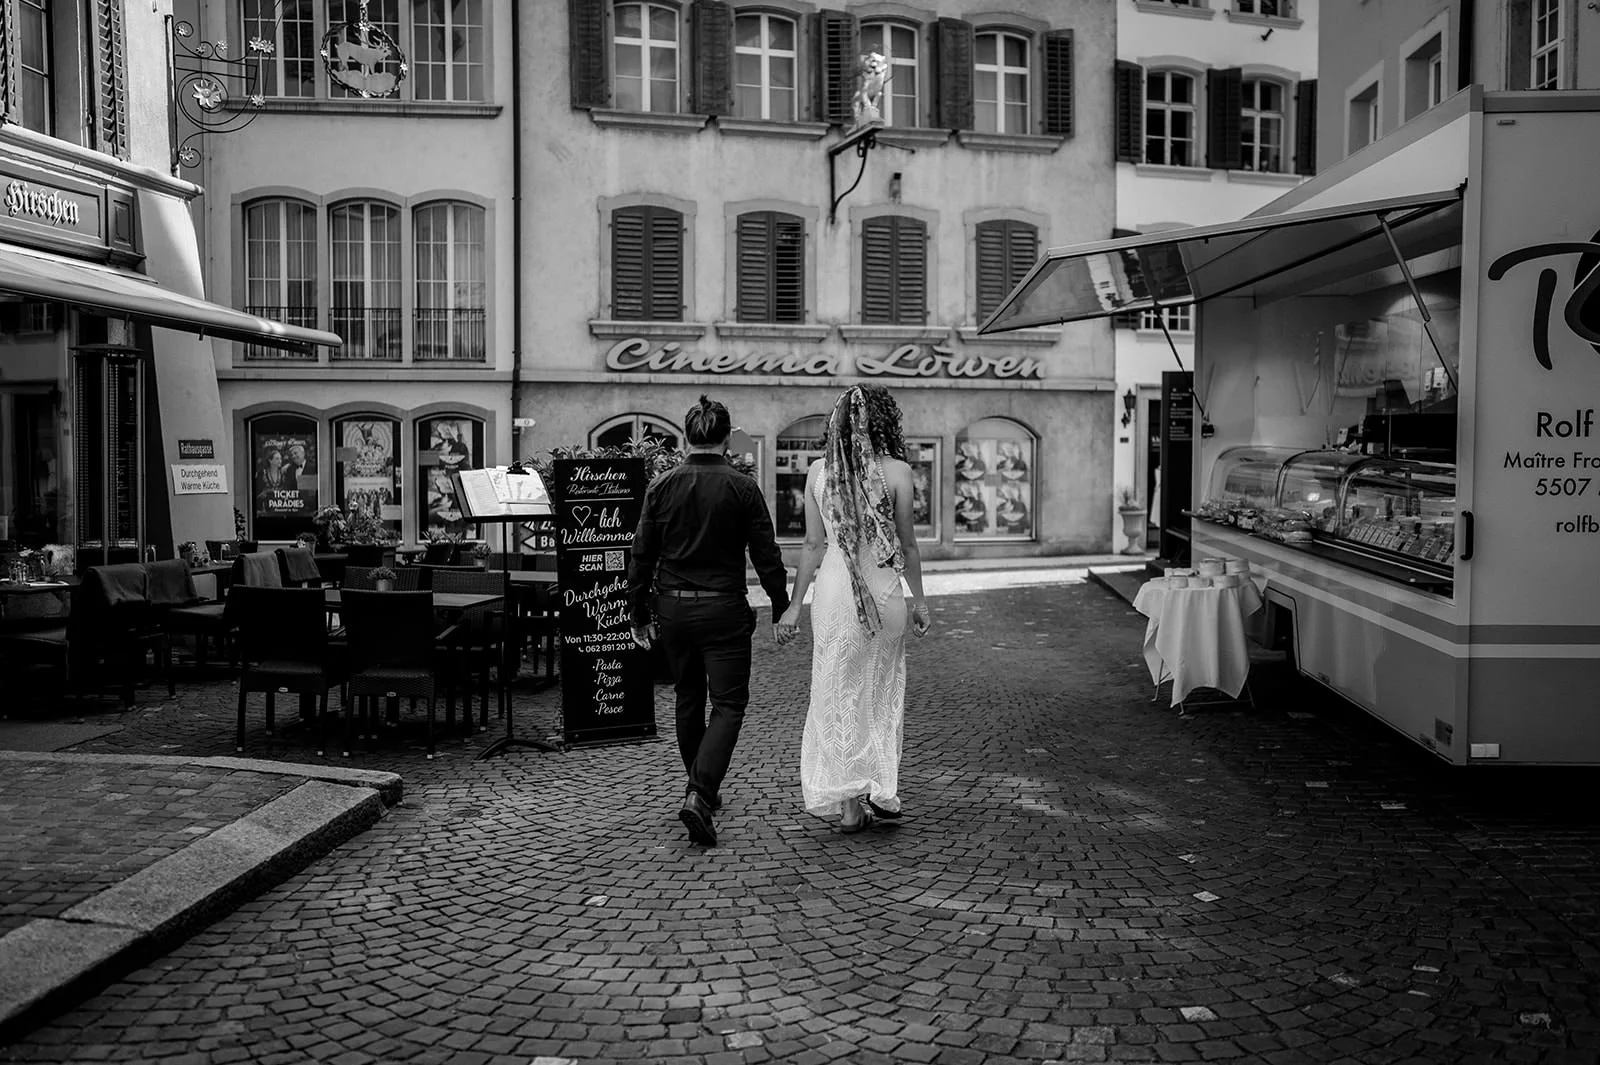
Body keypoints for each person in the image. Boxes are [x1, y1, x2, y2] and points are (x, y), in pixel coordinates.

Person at [629, 396, 792, 847]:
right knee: (729, 705)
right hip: (723, 608)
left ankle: (702, 787)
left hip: (674, 608)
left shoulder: (661, 486)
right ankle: (700, 792)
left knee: (687, 696)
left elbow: (641, 556)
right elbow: (765, 552)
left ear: (688, 437)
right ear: (726, 437)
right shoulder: (741, 487)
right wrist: (781, 604)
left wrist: (638, 613)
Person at [777, 384, 931, 834]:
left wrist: (793, 607)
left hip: (834, 592)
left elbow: (811, 545)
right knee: (880, 690)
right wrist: (919, 600)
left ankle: (848, 804)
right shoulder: (898, 472)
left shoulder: (818, 473)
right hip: (883, 592)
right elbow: (907, 545)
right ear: (883, 422)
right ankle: (881, 788)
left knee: (835, 691)